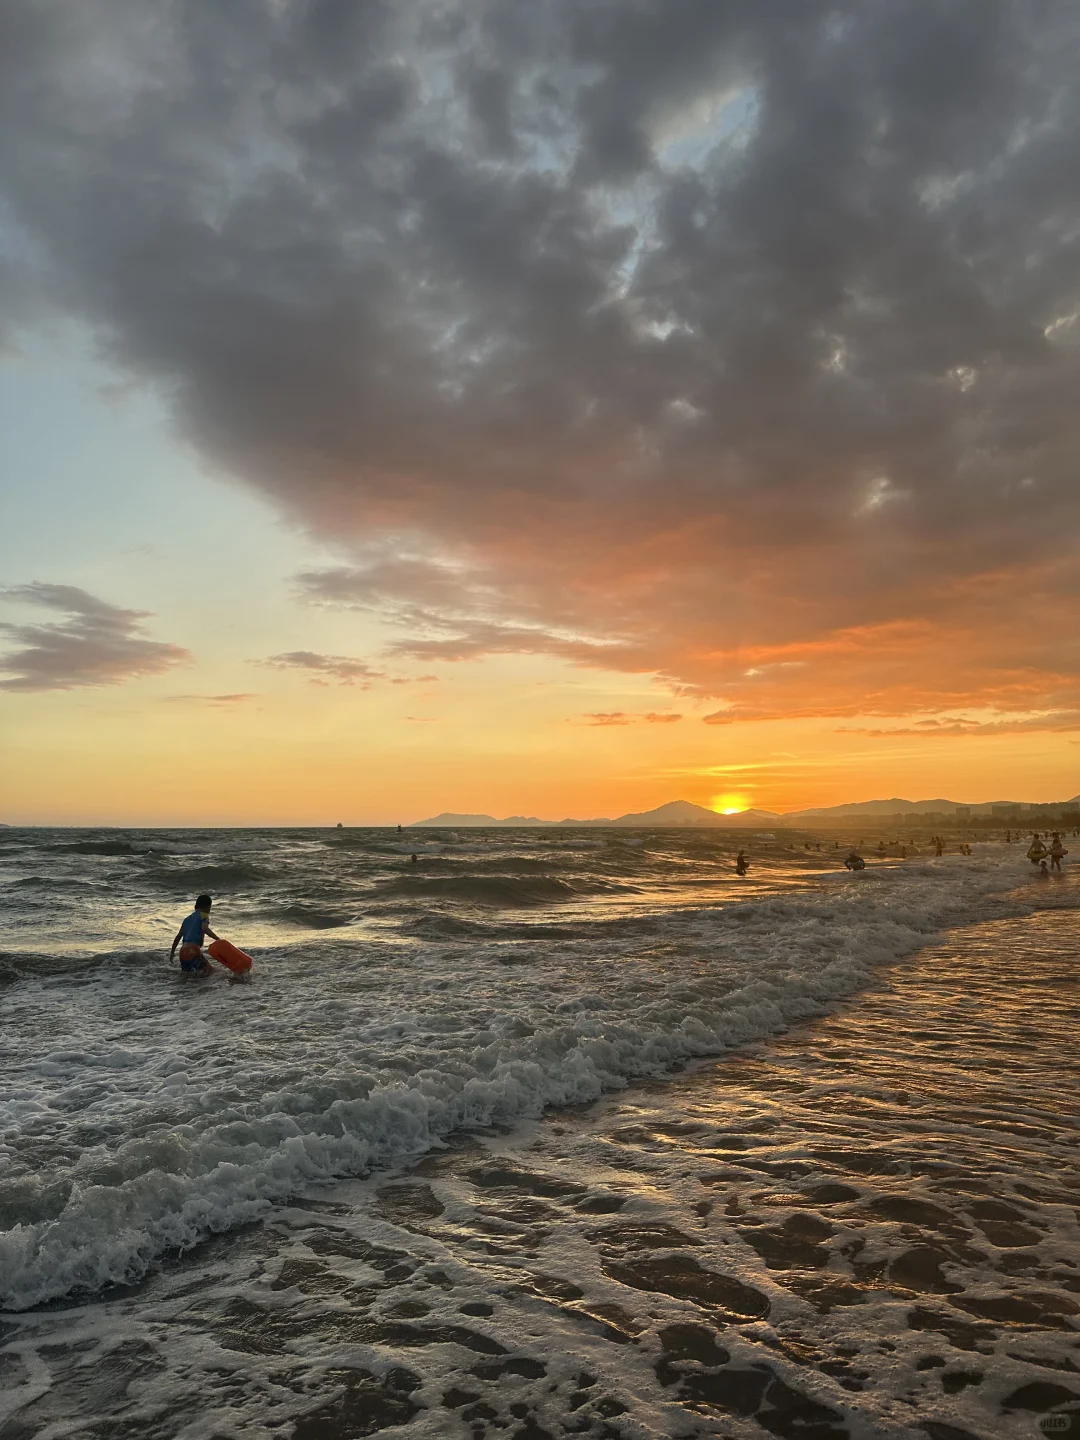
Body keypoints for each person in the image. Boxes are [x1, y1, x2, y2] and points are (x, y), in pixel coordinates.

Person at [170, 893, 221, 976]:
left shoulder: (186, 919)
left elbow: (178, 937)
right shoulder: (204, 915)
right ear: (208, 907)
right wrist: (218, 940)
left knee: (189, 977)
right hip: (193, 950)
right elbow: (205, 929)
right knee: (211, 972)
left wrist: (172, 953)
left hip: (182, 952)